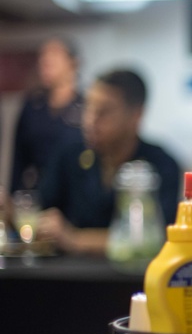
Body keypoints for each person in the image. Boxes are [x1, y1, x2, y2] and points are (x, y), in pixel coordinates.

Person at [35, 69, 180, 255]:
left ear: (136, 115)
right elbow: (41, 211)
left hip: (133, 278)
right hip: (69, 276)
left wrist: (76, 240)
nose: (90, 120)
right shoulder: (69, 156)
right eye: (88, 108)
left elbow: (155, 238)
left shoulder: (160, 165)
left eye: (103, 111)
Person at [10, 36, 85, 191]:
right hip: (36, 192)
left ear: (73, 63)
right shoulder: (32, 106)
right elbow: (19, 158)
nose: (46, 60)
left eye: (55, 54)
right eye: (43, 55)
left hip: (74, 192)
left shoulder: (87, 107)